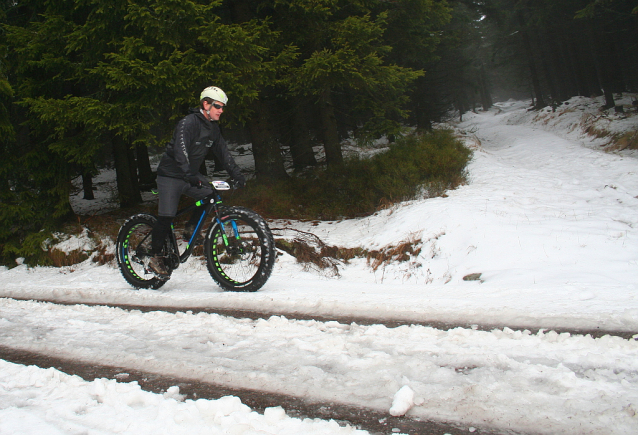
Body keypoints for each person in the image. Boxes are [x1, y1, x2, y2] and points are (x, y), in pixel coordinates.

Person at [148, 86, 246, 277]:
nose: (221, 110)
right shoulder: (189, 122)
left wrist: (237, 175)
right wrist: (188, 173)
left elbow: (224, 154)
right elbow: (180, 150)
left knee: (211, 196)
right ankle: (155, 256)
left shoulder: (213, 129)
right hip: (170, 175)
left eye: (223, 107)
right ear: (206, 104)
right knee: (167, 216)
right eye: (218, 106)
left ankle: (191, 228)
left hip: (189, 174)